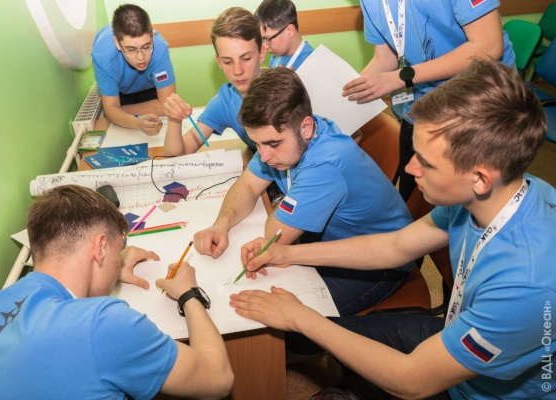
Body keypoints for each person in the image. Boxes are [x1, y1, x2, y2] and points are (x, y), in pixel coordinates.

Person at [231, 59, 555, 399]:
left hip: (478, 392)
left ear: (480, 178)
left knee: (314, 335)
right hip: (453, 331)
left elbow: (412, 380)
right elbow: (395, 246)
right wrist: (287, 254)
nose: (410, 168)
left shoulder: (527, 286)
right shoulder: (491, 192)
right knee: (323, 340)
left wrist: (301, 317)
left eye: (426, 162)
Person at [0, 185, 233, 399]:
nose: (118, 260)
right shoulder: (103, 323)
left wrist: (104, 271)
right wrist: (188, 294)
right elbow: (218, 379)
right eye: (118, 249)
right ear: (99, 248)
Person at [194, 67, 414, 316]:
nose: (264, 156)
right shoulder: (292, 134)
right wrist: (221, 224)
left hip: (381, 264)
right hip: (332, 243)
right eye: (257, 144)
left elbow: (275, 235)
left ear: (306, 128)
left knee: (284, 318)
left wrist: (284, 200)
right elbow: (247, 185)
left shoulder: (324, 164)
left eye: (272, 144)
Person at [342, 0, 515, 202]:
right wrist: (342, 97)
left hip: (481, 95)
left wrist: (400, 78)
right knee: (412, 187)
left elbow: (488, 46)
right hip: (425, 94)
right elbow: (386, 58)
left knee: (477, 191)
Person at [163, 7, 265, 156]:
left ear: (261, 53)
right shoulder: (226, 100)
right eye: (228, 61)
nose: (238, 70)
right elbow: (175, 157)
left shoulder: (283, 92)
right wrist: (174, 120)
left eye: (246, 58)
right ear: (218, 62)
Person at [91, 4, 176, 135]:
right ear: (117, 43)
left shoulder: (159, 49)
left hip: (150, 88)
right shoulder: (103, 56)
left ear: (152, 38)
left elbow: (167, 104)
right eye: (131, 50)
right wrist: (136, 122)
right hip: (121, 92)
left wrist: (117, 112)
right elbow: (110, 108)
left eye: (146, 47)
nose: (141, 58)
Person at [254, 0, 314, 70]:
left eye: (268, 39)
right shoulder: (276, 54)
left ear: (290, 31)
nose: (266, 46)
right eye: (263, 40)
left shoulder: (311, 63)